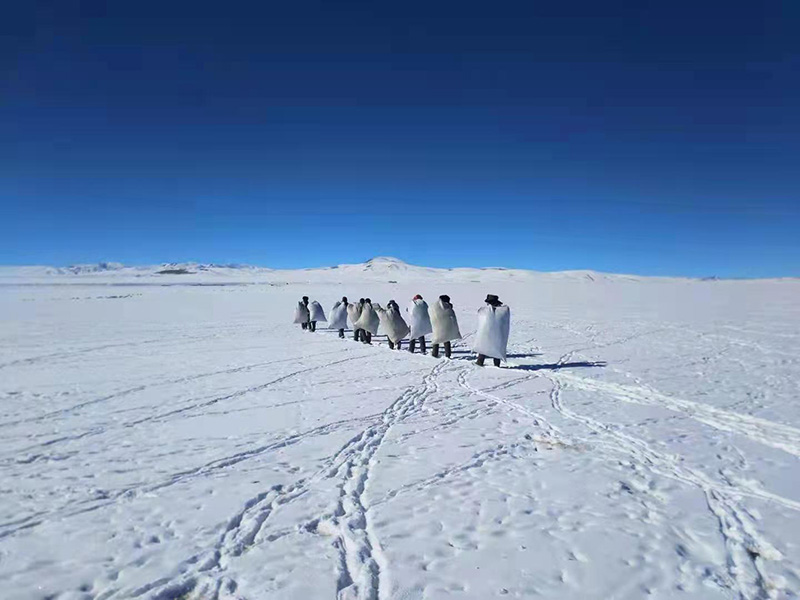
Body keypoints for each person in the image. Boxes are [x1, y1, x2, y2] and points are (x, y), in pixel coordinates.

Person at [474, 294, 511, 367]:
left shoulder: (486, 311)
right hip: (498, 335)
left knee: (483, 346)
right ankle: (496, 365)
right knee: (497, 347)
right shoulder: (502, 311)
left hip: (486, 333)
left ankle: (480, 362)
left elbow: (480, 312)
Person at [429, 294, 461, 359]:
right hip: (446, 327)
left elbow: (430, 311)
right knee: (446, 339)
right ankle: (448, 354)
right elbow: (452, 317)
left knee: (436, 339)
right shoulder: (448, 307)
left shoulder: (435, 306)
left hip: (437, 326)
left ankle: (434, 354)